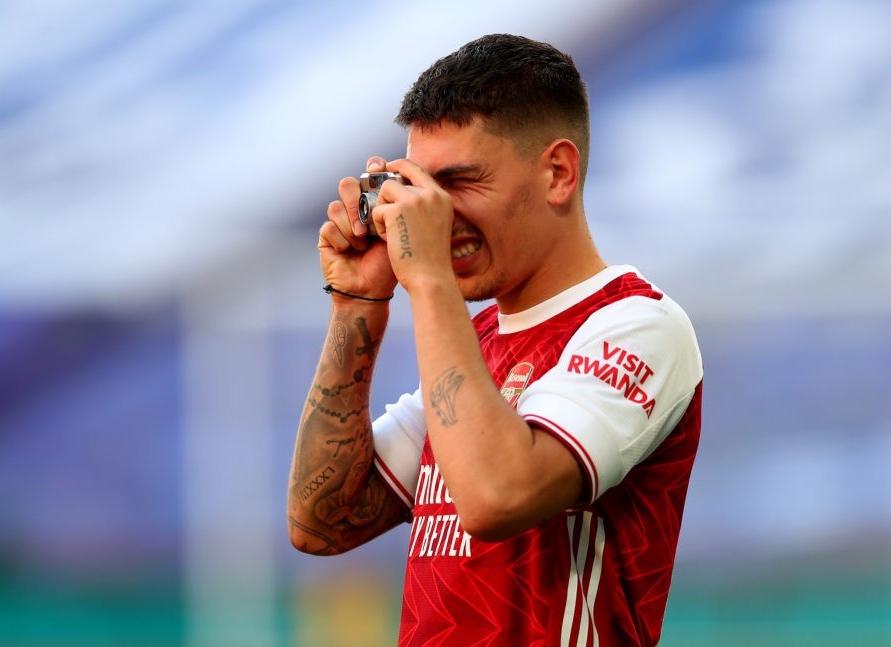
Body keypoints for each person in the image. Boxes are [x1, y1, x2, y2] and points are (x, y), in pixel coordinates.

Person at [287, 33, 703, 646]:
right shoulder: (471, 340)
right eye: (420, 187)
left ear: (558, 172)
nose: (432, 213)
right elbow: (322, 522)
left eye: (460, 182)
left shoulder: (639, 326)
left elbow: (496, 497)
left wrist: (427, 278)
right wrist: (358, 306)